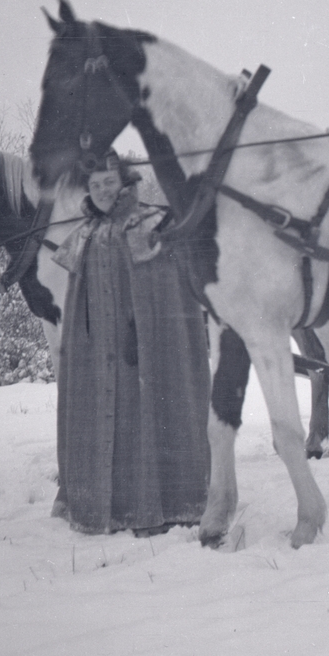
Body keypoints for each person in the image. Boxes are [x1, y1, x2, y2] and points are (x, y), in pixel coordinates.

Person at [50, 152, 210, 536]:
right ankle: (104, 507)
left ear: (125, 183)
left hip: (148, 355)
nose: (103, 191)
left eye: (109, 182)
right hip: (100, 356)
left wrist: (148, 334)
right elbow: (77, 309)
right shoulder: (85, 235)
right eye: (95, 185)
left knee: (149, 418)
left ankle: (164, 504)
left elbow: (173, 299)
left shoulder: (154, 226)